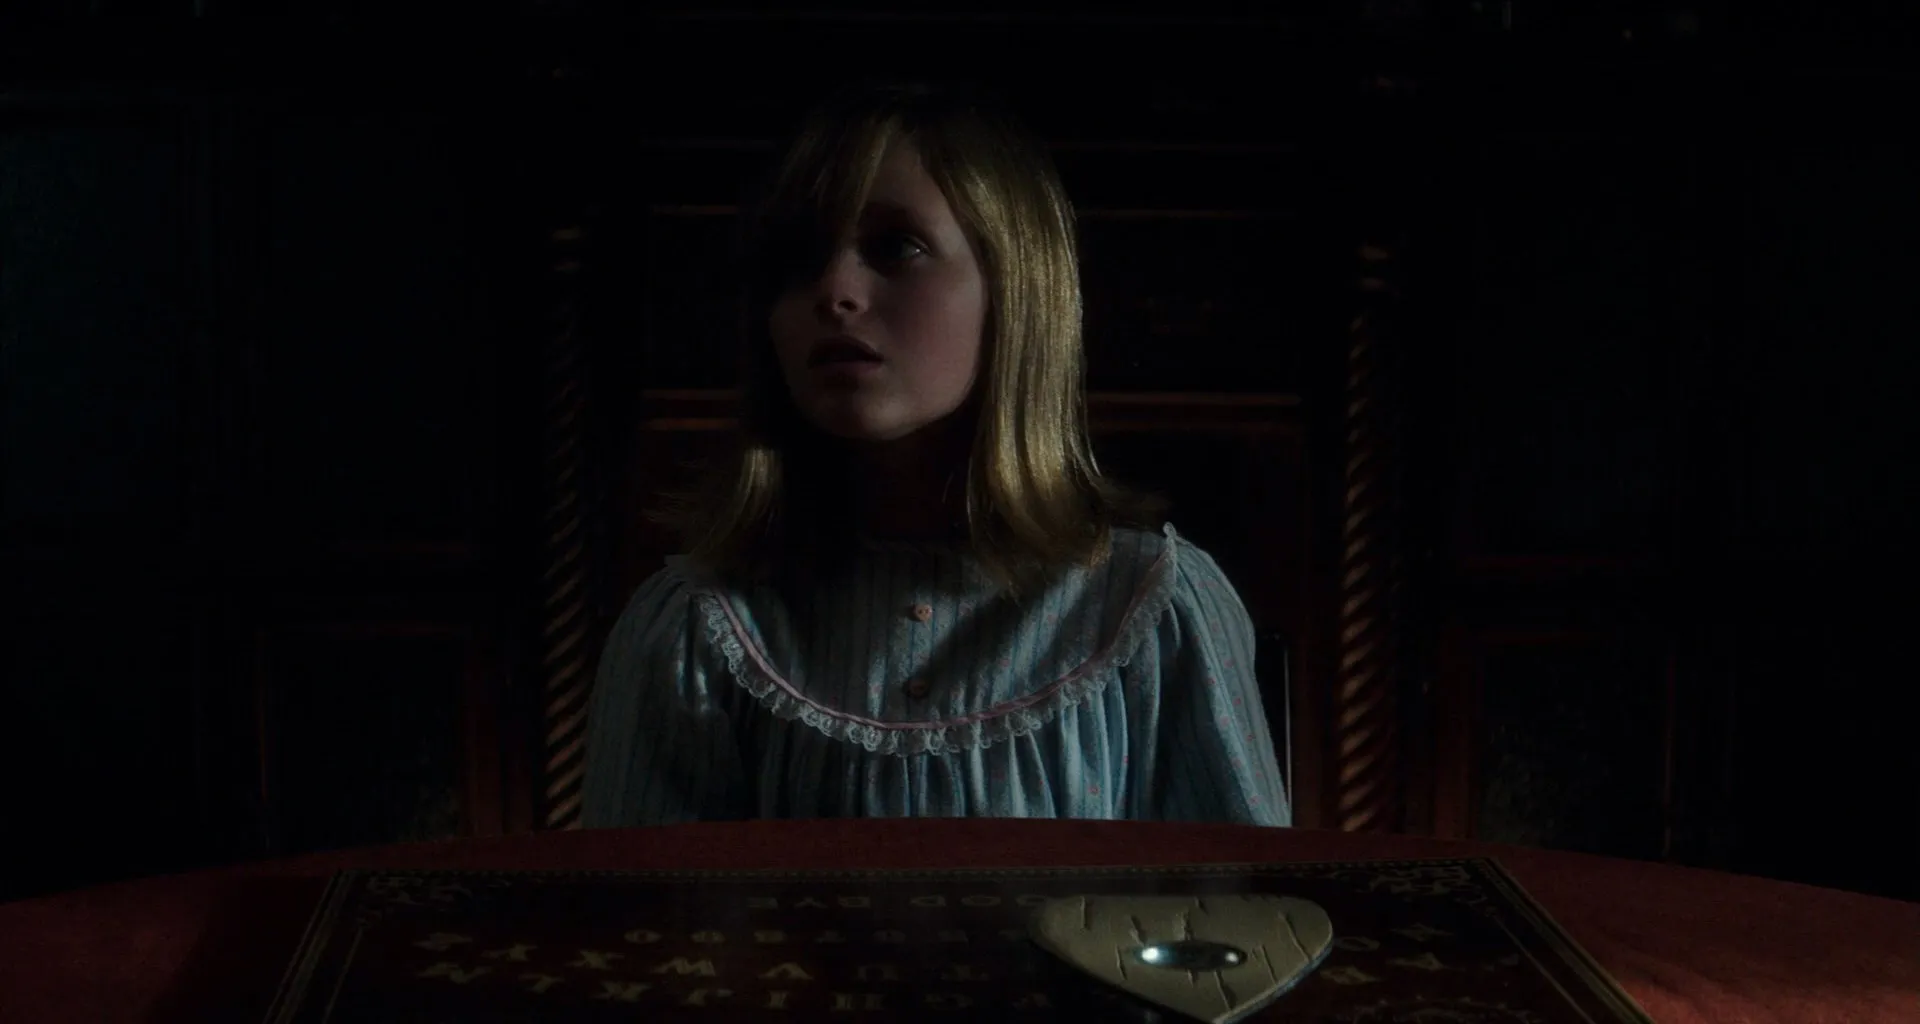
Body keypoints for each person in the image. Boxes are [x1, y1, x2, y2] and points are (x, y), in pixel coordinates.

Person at [581, 82, 1289, 827]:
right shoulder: (699, 630)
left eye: (896, 247)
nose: (834, 291)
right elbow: (638, 899)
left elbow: (1247, 895)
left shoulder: (1151, 611)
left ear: (1013, 288)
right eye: (798, 258)